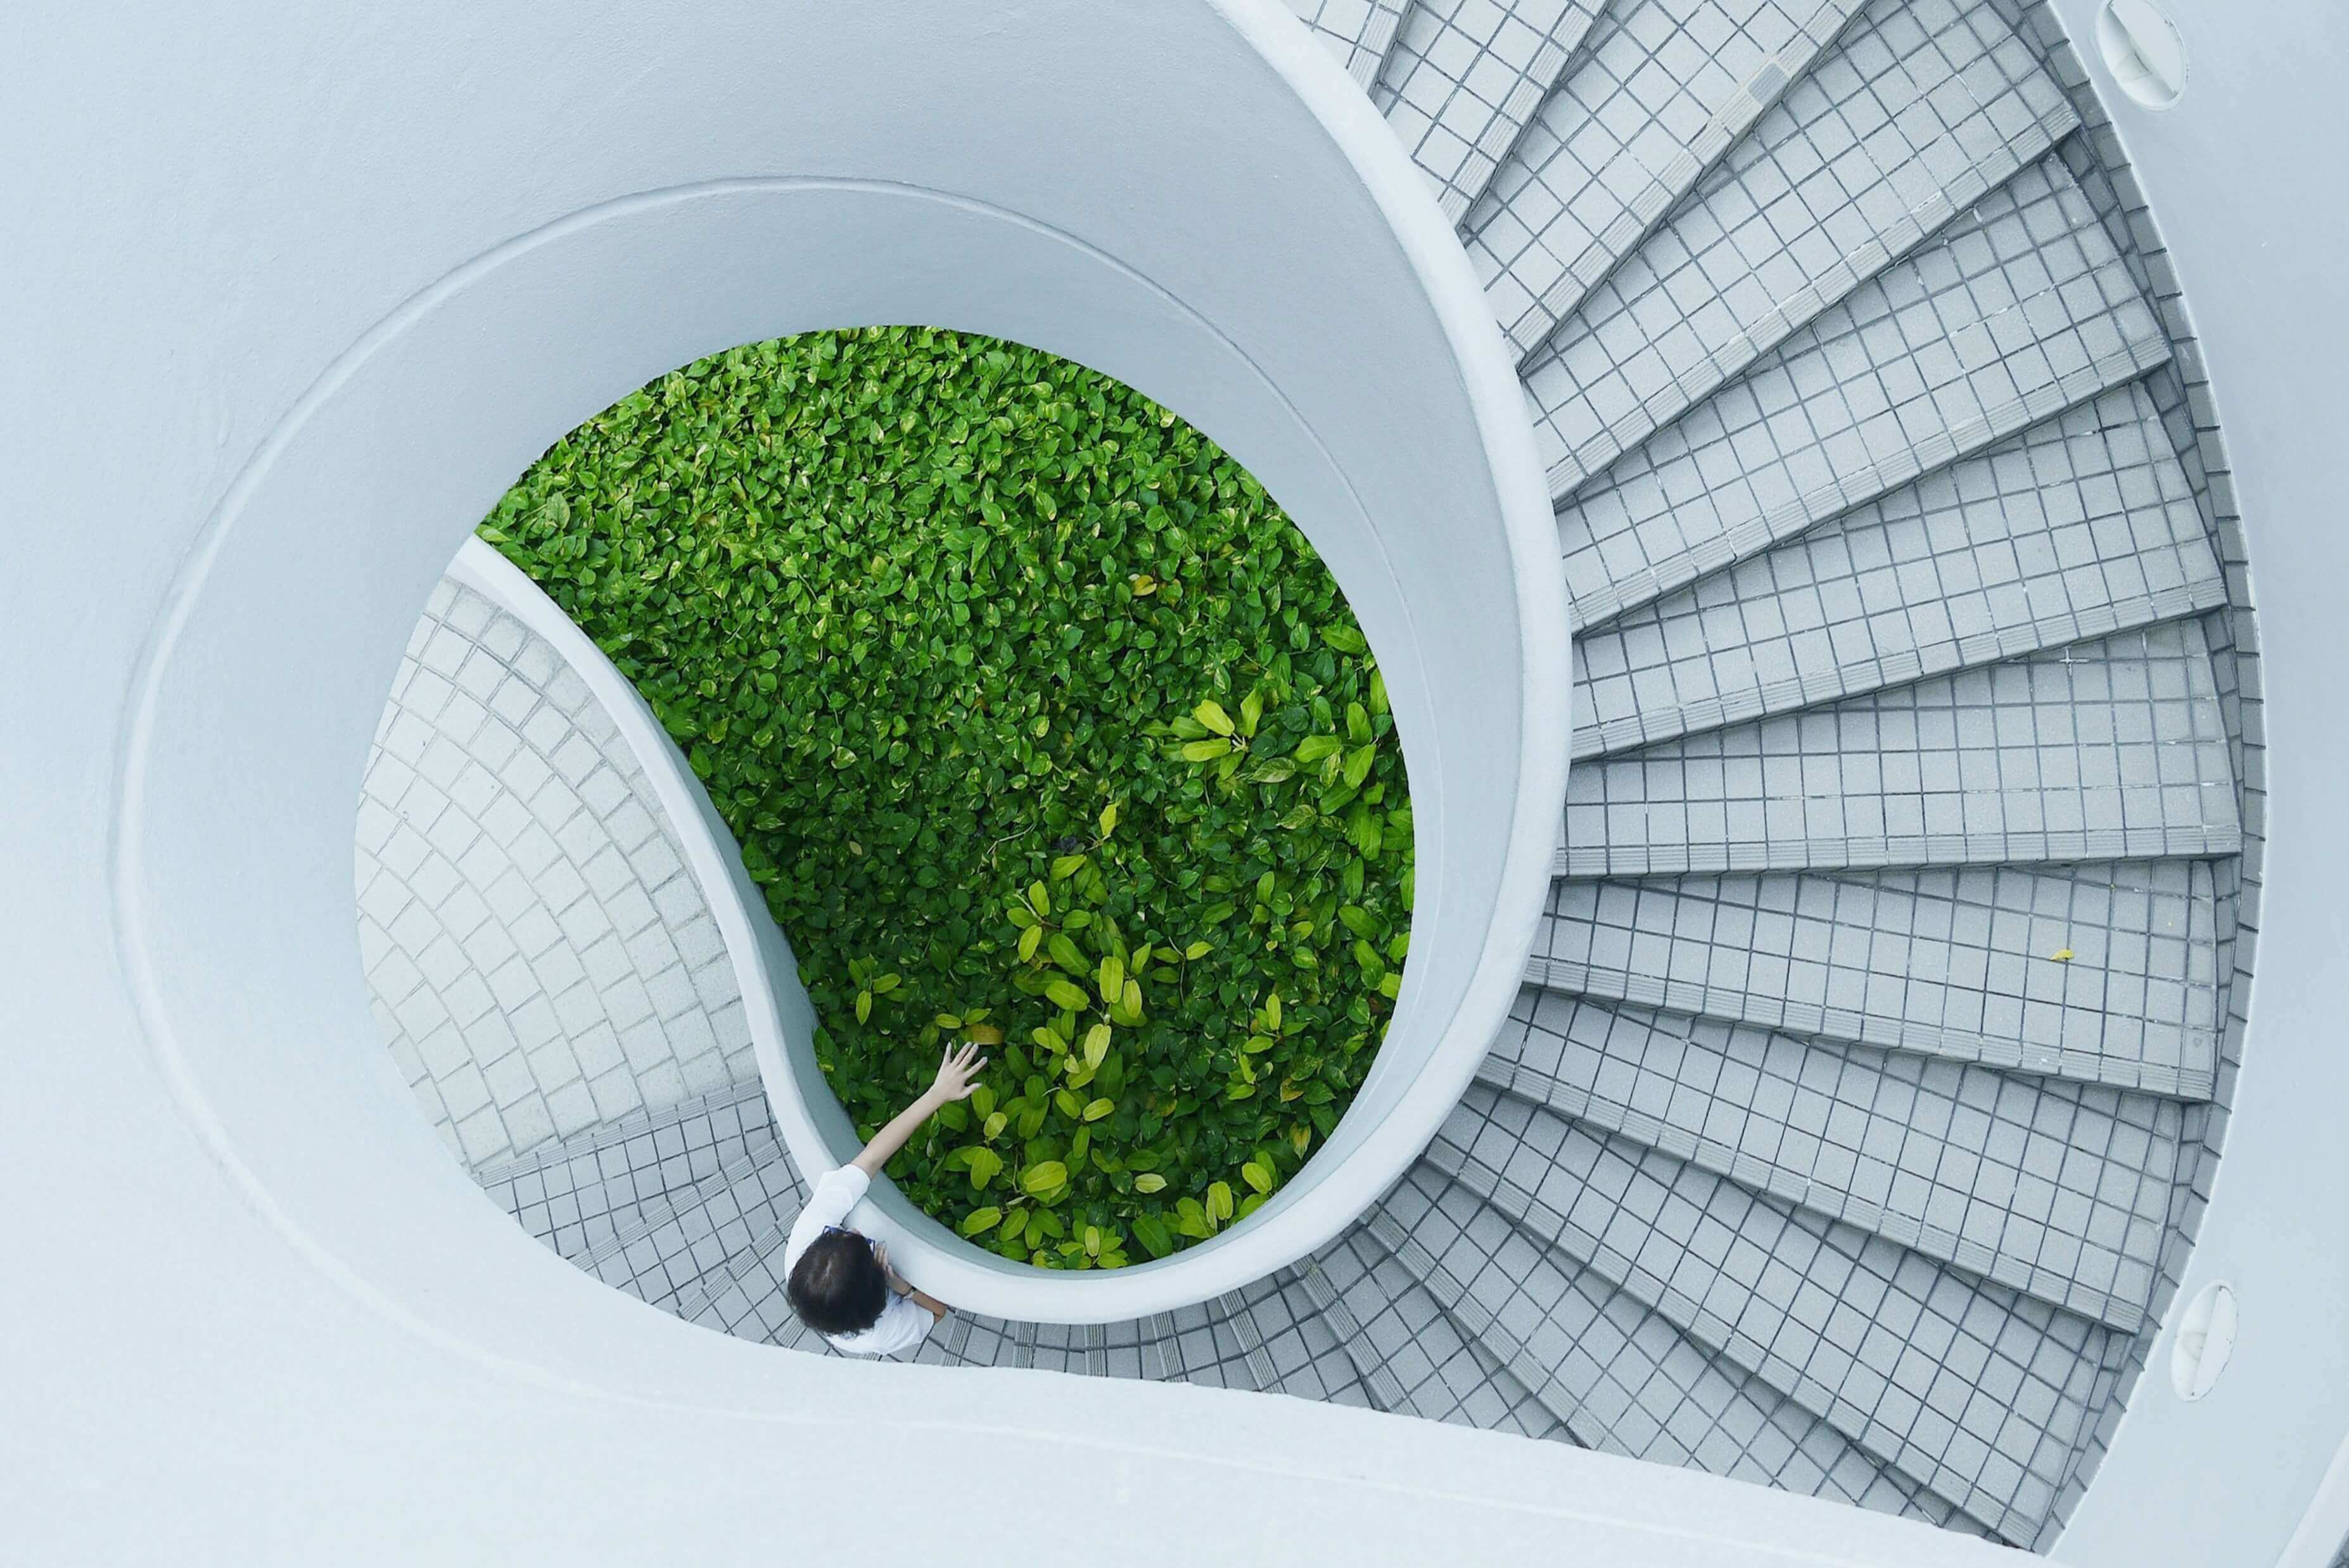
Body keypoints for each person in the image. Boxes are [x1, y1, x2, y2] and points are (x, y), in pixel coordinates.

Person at [782, 1041, 986, 1356]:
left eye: (840, 1234)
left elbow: (871, 1159)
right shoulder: (880, 1334)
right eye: (859, 1243)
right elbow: (937, 1312)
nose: (858, 1231)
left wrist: (937, 1094)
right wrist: (903, 1287)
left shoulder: (805, 1245)